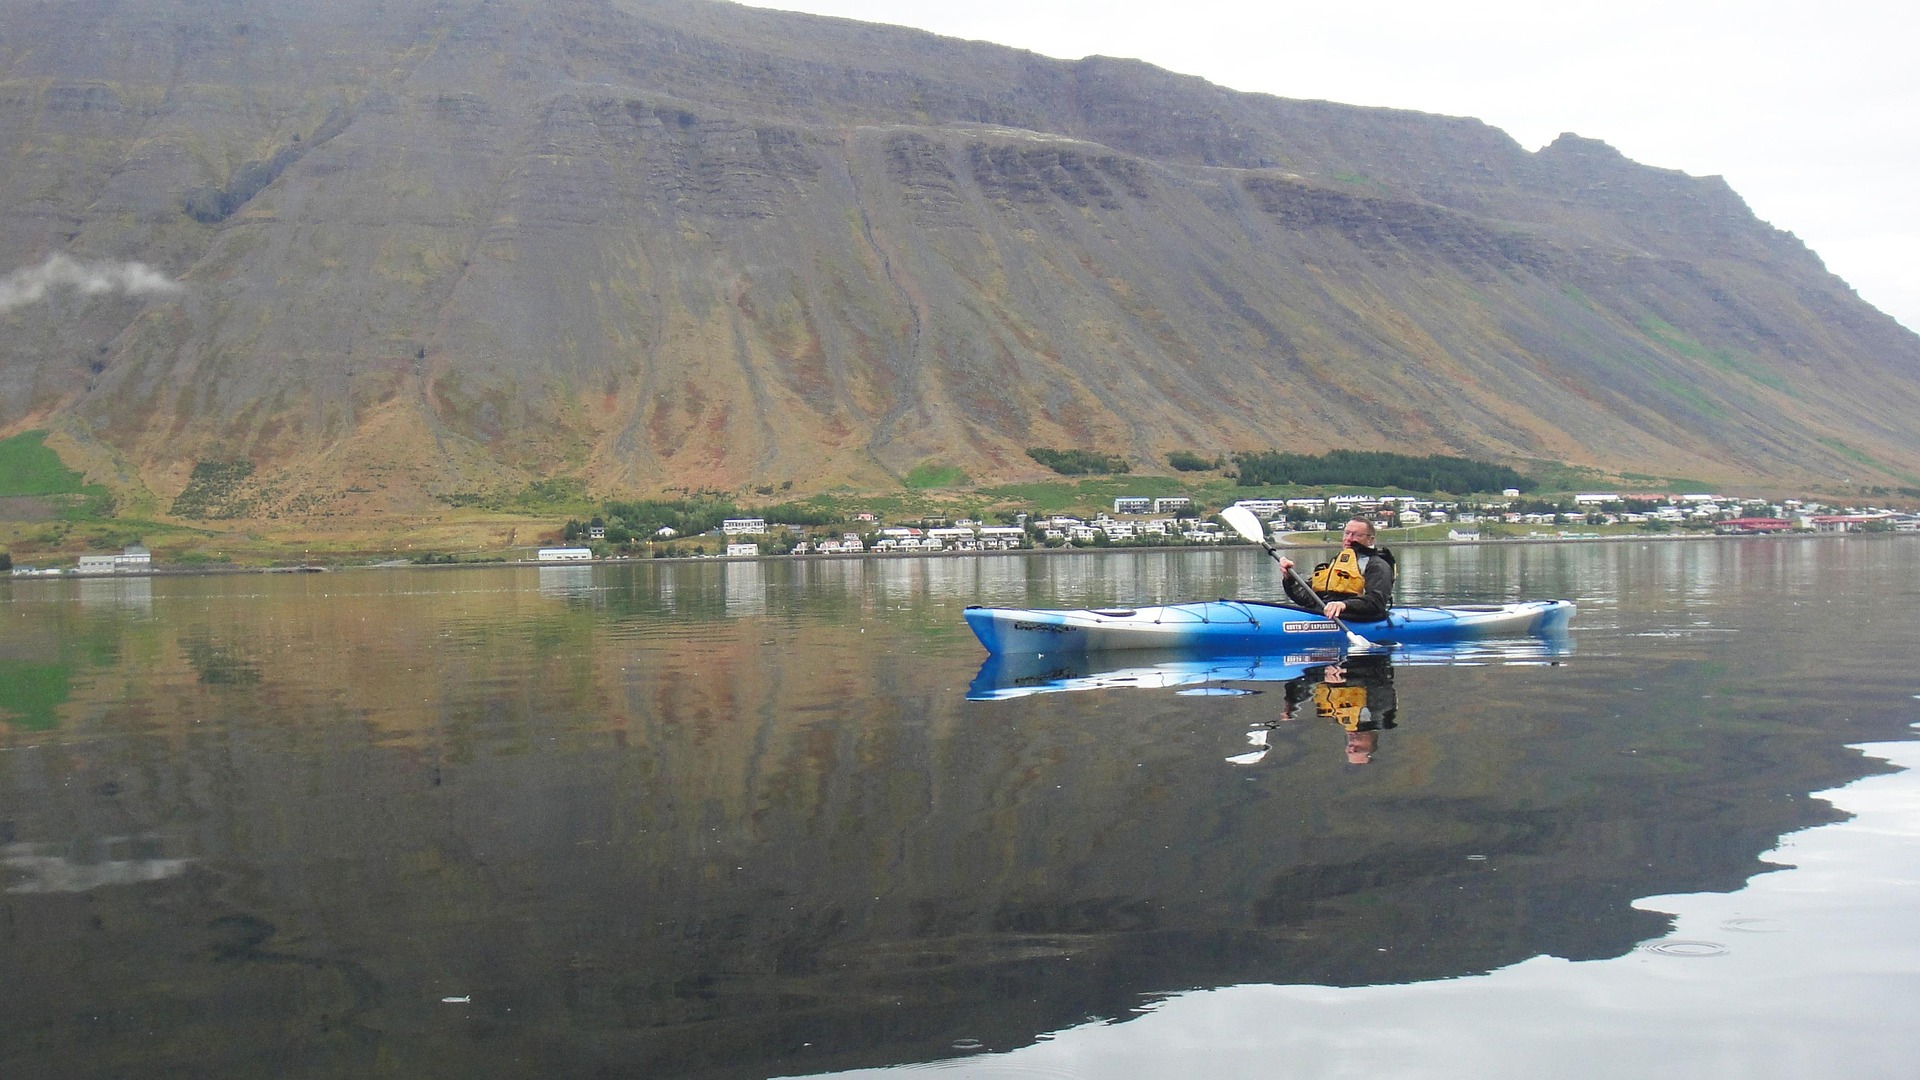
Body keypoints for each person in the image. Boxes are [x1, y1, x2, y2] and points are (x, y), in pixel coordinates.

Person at [1279, 518, 1394, 622]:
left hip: (1356, 618)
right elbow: (1306, 599)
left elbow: (1376, 603)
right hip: (1325, 614)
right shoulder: (1338, 561)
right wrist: (1289, 578)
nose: (1349, 539)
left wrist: (1343, 605)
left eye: (1356, 535)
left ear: (1370, 540)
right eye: (1347, 533)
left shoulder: (1378, 565)